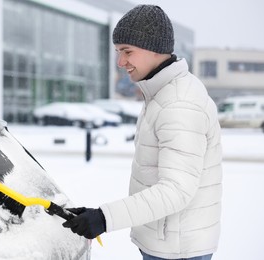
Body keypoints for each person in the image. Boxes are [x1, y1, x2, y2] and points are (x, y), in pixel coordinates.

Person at [62, 4, 223, 260]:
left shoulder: (179, 103)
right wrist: (96, 215)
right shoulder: (162, 94)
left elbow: (175, 190)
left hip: (177, 250)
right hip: (167, 242)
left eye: (127, 51)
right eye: (118, 52)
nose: (120, 62)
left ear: (155, 49)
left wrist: (104, 218)